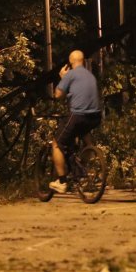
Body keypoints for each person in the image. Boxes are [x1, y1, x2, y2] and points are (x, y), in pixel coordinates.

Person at [48, 49, 102, 193]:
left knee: (57, 144)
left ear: (70, 63)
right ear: (83, 61)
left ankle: (62, 182)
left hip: (78, 116)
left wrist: (62, 77)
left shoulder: (70, 74)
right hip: (95, 117)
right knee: (86, 138)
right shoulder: (90, 76)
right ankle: (82, 169)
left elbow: (58, 94)